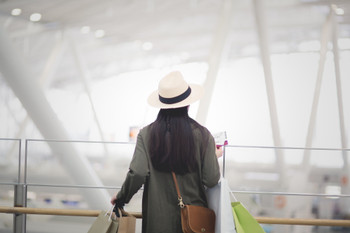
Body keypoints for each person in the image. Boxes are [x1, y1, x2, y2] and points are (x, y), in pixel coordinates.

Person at [110, 71, 222, 233]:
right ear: (188, 104)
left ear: (161, 104)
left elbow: (138, 172)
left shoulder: (147, 134)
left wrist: (122, 197)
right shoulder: (203, 135)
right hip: (194, 224)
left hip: (158, 222)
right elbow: (211, 179)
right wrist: (213, 156)